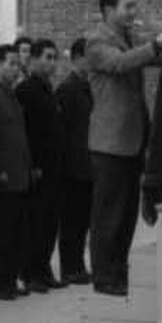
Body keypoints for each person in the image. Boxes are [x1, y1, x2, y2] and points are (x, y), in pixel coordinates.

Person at [85, 0, 162, 296]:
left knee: (126, 216)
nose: (133, 13)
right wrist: (156, 44)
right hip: (110, 144)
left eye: (133, 7)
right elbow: (121, 63)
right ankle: (104, 278)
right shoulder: (97, 42)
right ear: (108, 10)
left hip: (131, 141)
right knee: (108, 217)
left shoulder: (129, 39)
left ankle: (118, 274)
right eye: (127, 7)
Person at [0, 45, 32, 302]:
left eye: (17, 64)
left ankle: (10, 279)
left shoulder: (11, 95)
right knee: (0, 234)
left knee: (15, 232)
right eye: (11, 63)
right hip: (4, 176)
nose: (16, 68)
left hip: (19, 172)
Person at [15, 39, 63, 291]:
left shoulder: (48, 89)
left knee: (49, 222)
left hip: (54, 166)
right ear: (34, 59)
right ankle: (30, 272)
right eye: (47, 57)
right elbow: (27, 132)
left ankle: (43, 269)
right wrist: (32, 164)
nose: (52, 62)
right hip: (37, 168)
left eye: (54, 57)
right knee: (35, 222)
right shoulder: (26, 90)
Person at [54, 40, 94, 283]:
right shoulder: (68, 90)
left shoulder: (88, 87)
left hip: (87, 164)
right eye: (88, 57)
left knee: (83, 220)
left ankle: (78, 264)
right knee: (71, 221)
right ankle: (70, 268)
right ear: (77, 58)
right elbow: (63, 132)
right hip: (73, 167)